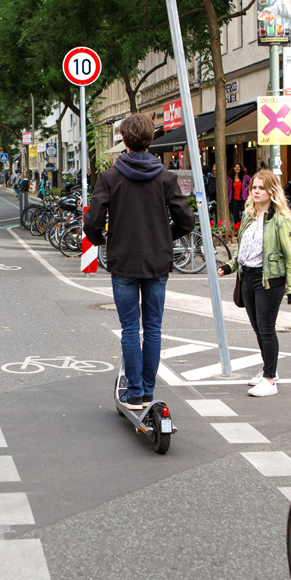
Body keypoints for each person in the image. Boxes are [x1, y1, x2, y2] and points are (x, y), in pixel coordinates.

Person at [84, 113, 195, 410]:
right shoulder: (166, 177)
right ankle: (148, 391)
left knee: (130, 328)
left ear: (123, 138)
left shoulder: (109, 177)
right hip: (157, 261)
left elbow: (93, 220)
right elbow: (187, 220)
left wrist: (100, 239)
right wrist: (165, 236)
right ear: (151, 139)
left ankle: (133, 392)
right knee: (154, 328)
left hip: (123, 261)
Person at [216, 169, 291, 397]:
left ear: (271, 191)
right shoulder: (249, 216)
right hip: (248, 277)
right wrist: (229, 266)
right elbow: (243, 251)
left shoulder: (281, 220)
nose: (256, 191)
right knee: (257, 329)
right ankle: (268, 369)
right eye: (254, 187)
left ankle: (270, 380)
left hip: (270, 278)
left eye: (261, 187)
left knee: (266, 329)